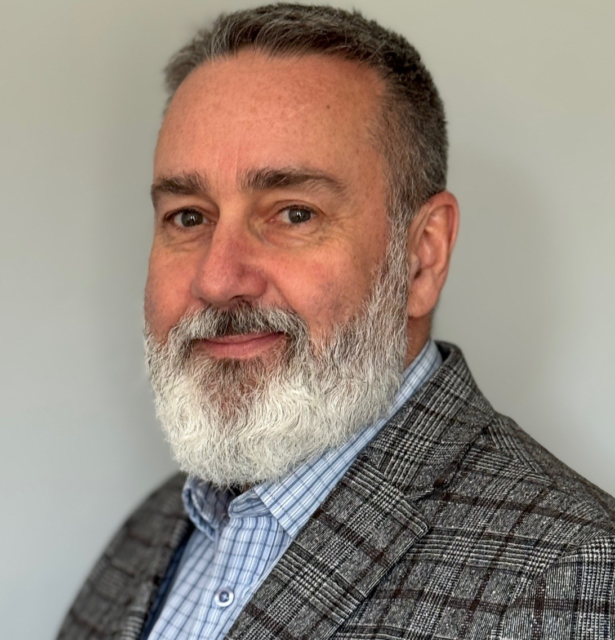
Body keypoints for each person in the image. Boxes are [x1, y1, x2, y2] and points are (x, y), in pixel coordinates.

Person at [57, 4, 615, 639]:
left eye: (294, 213)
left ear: (422, 256)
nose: (217, 278)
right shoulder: (154, 529)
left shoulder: (568, 579)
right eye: (189, 217)